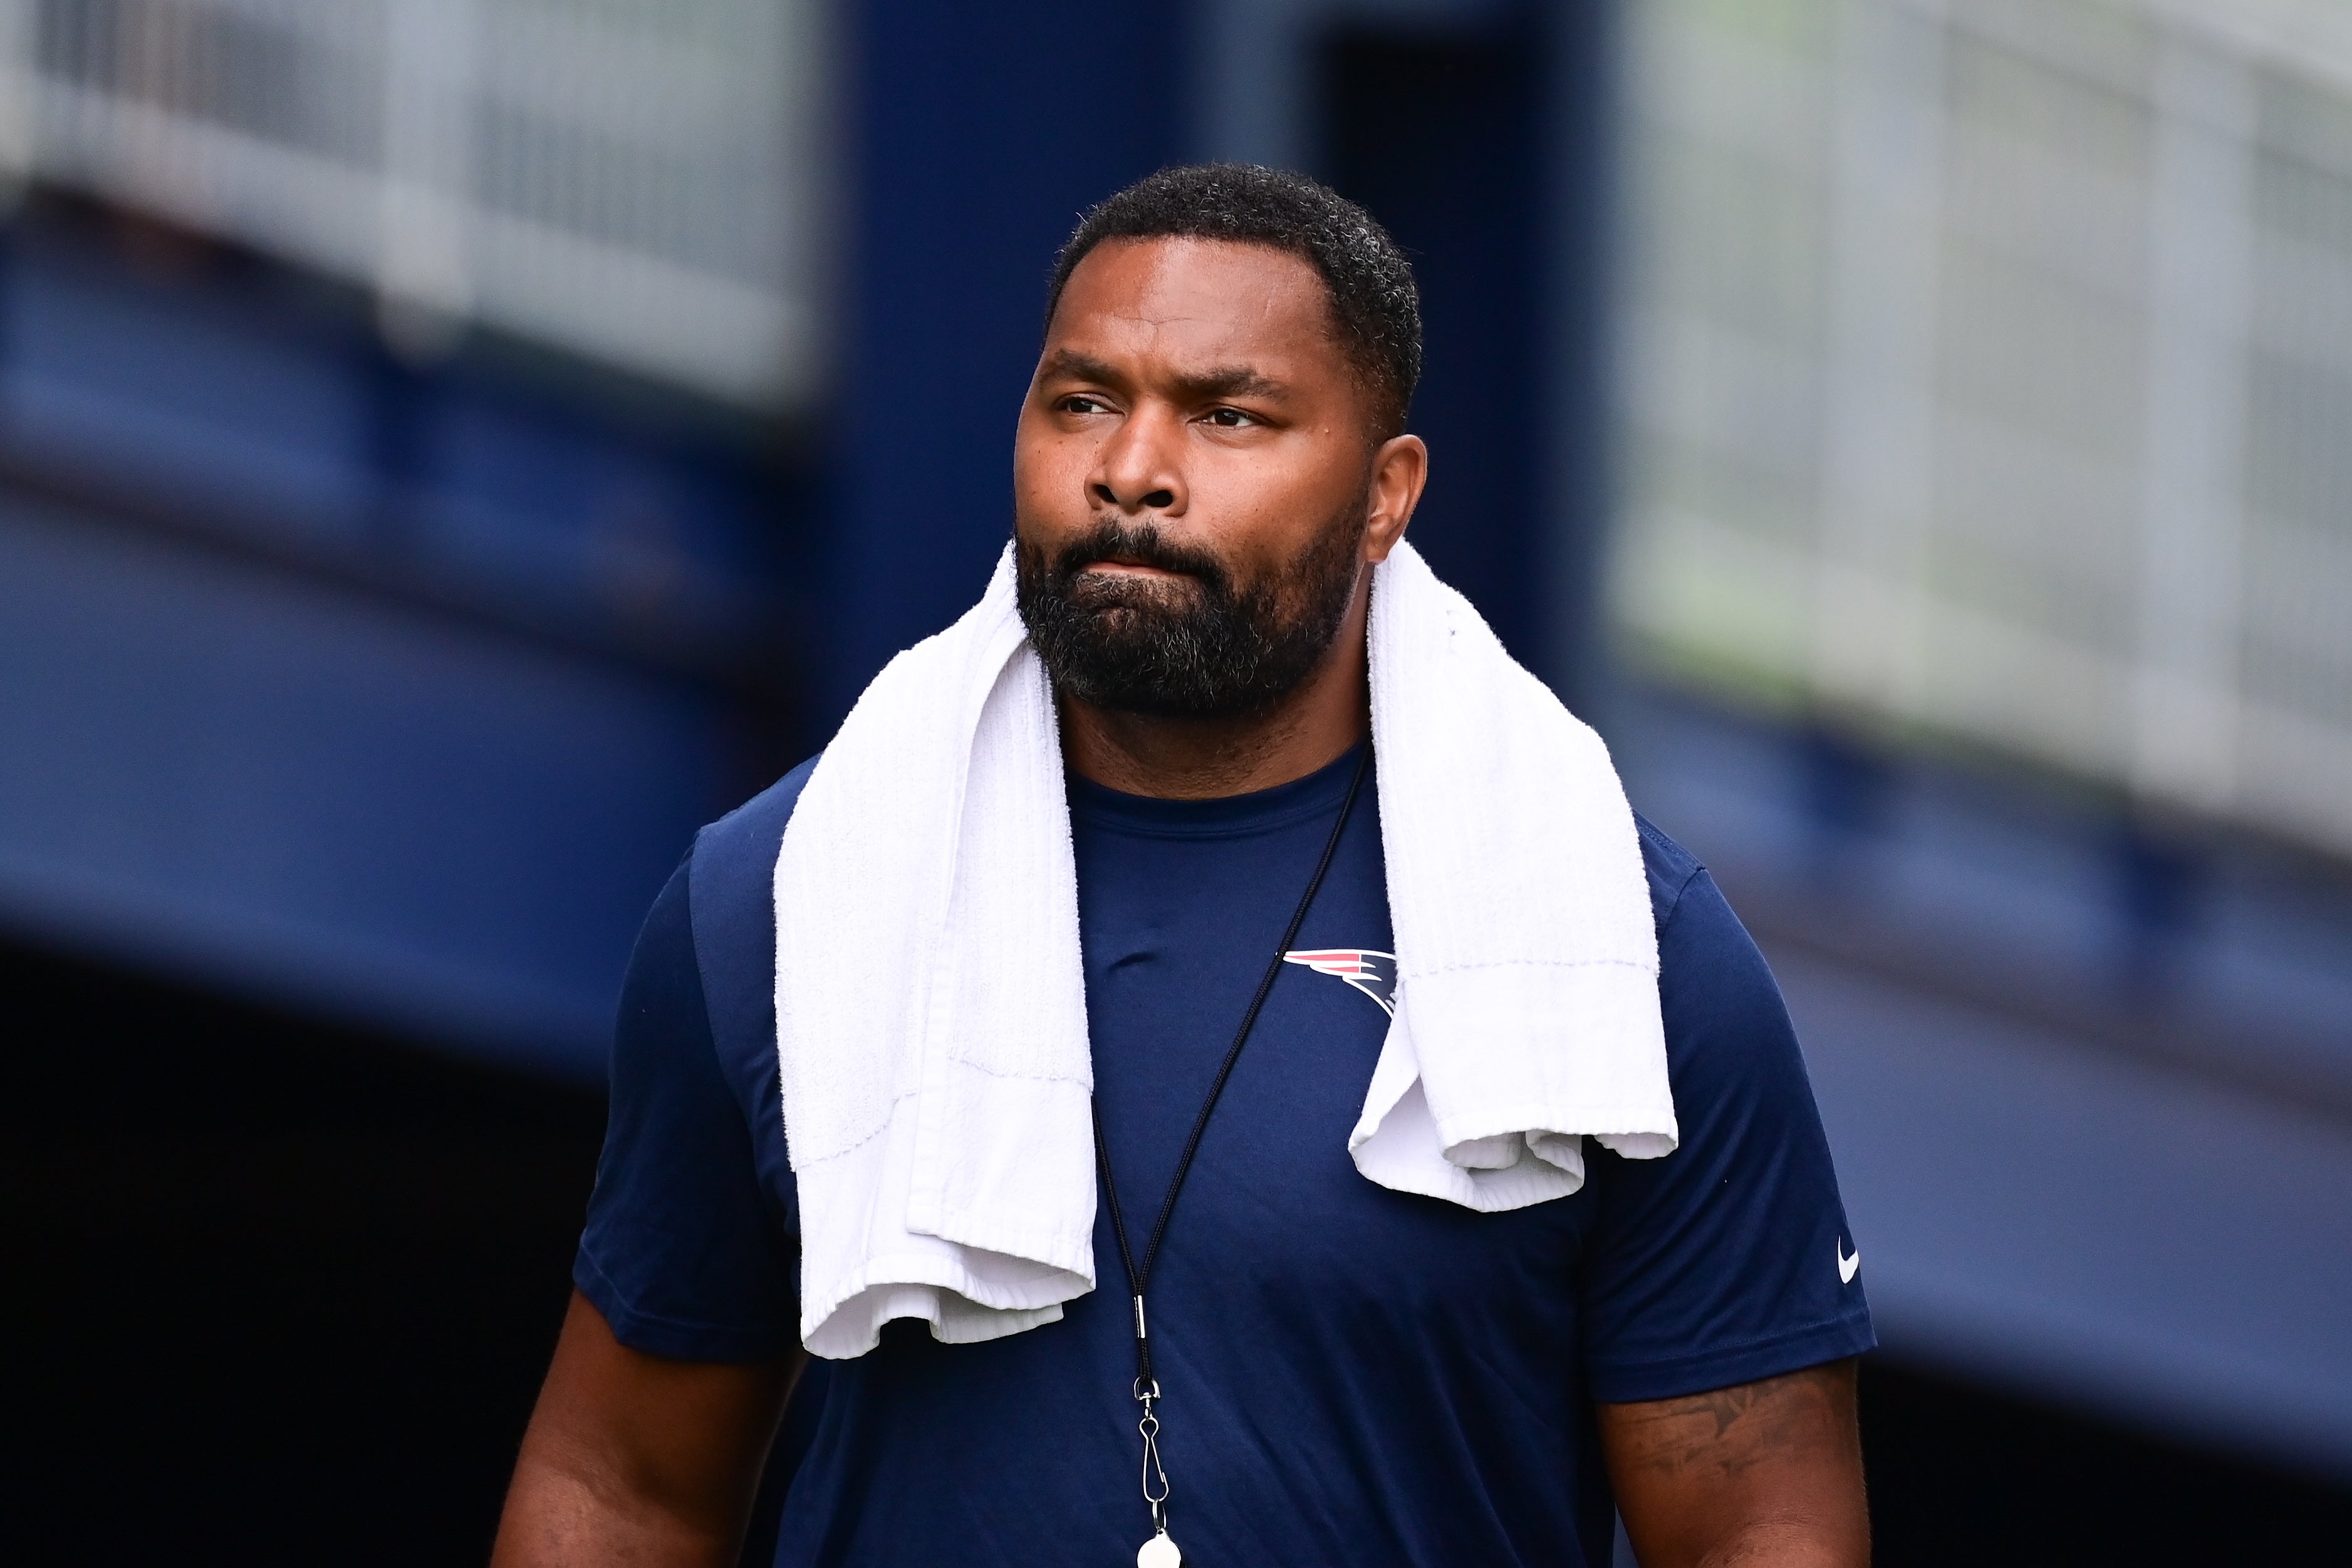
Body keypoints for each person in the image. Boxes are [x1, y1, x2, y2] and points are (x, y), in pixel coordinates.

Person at [492, 165, 1874, 1568]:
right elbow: (618, 1488)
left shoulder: (1611, 945)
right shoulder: (783, 906)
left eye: (1228, 416)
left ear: (1385, 494)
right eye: (1082, 401)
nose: (1131, 470)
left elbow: (1758, 1524)